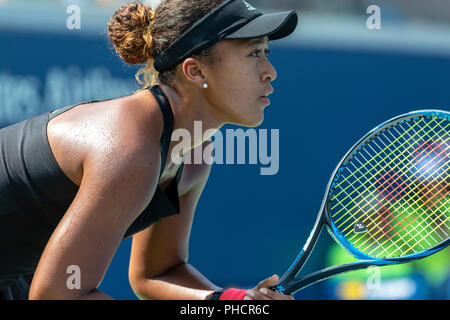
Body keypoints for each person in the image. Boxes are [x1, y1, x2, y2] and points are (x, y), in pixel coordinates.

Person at [0, 0, 298, 300]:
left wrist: (230, 302)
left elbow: (158, 272)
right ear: (195, 71)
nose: (270, 71)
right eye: (254, 53)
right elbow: (56, 296)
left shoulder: (193, 153)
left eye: (267, 52)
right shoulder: (132, 149)